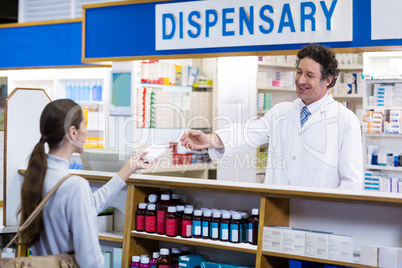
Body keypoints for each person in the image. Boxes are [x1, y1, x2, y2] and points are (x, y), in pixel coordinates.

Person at [181, 43, 363, 190]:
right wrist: (210, 139)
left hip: (319, 216)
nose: (300, 80)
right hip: (277, 210)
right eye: (299, 72)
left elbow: (351, 183)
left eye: (309, 75)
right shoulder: (281, 112)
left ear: (328, 80)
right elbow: (247, 133)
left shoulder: (345, 120)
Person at [18, 99, 154, 268]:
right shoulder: (74, 186)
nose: (87, 132)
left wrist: (128, 168)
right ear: (73, 132)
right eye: (85, 125)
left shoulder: (36, 177)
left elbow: (90, 204)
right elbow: (90, 260)